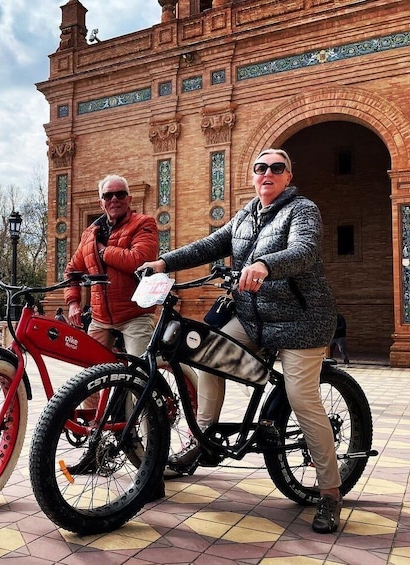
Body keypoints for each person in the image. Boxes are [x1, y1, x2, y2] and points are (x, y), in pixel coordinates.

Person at [139, 148, 342, 534]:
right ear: (253, 175)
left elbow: (304, 250)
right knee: (203, 352)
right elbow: (208, 245)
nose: (268, 173)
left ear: (288, 174)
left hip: (302, 322)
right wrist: (163, 263)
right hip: (254, 320)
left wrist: (266, 265)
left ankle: (330, 491)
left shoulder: (302, 209)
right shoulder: (246, 215)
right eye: (261, 168)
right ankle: (205, 437)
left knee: (302, 398)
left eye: (276, 168)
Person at [64, 174, 158, 357]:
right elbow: (72, 270)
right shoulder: (89, 234)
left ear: (129, 199)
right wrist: (73, 302)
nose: (114, 199)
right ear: (101, 203)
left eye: (120, 194)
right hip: (100, 318)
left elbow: (138, 260)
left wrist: (101, 251)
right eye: (108, 195)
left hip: (135, 315)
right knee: (89, 373)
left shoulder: (143, 223)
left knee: (139, 373)